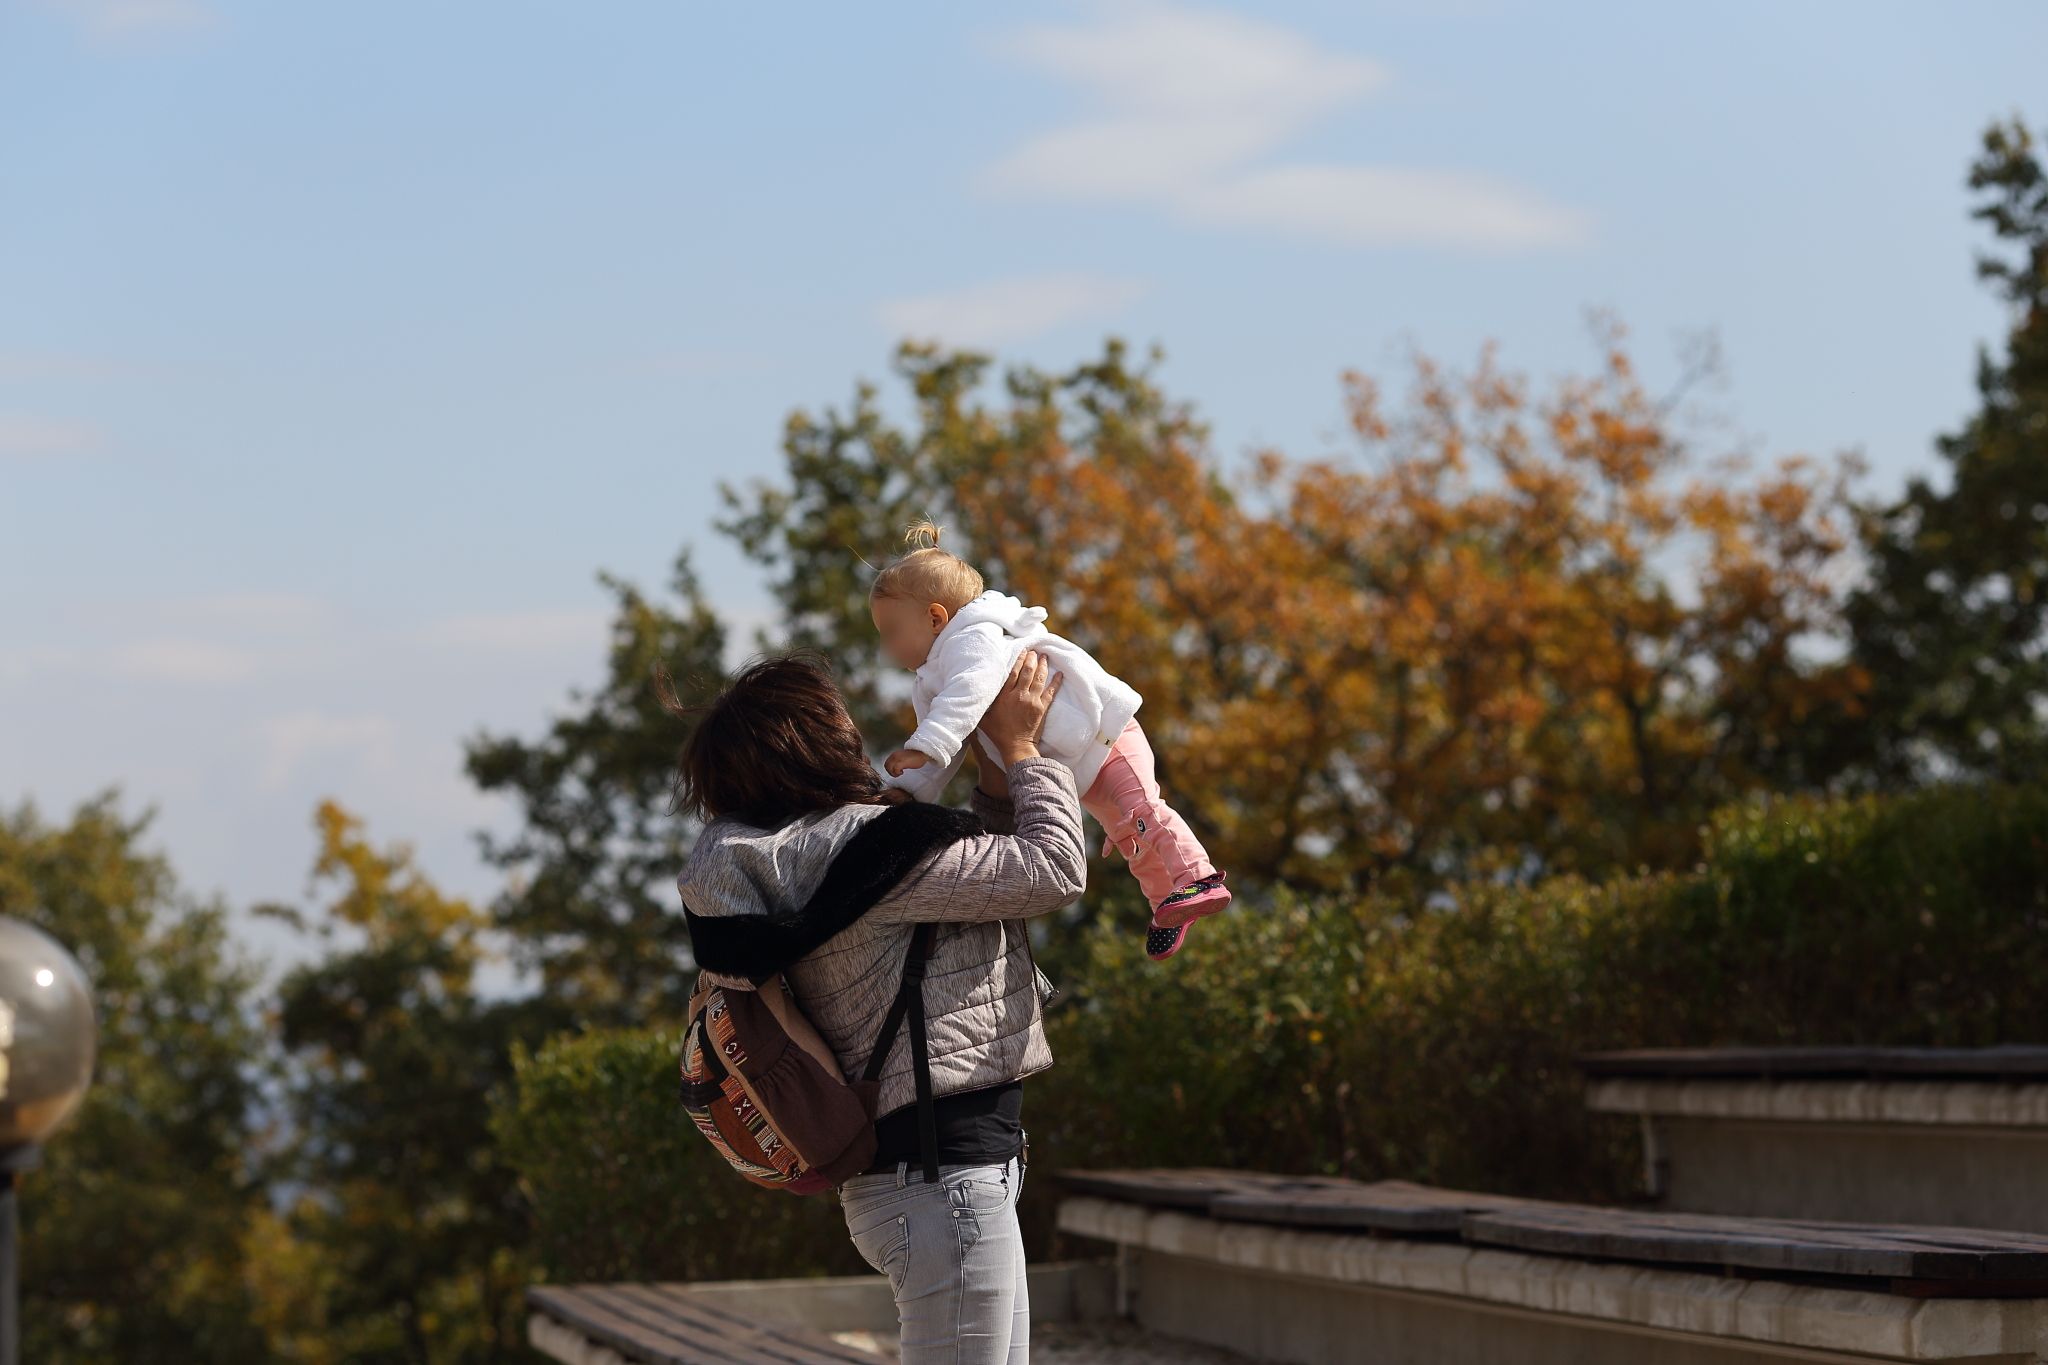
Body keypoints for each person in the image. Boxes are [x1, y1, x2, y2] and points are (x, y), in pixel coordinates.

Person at [671, 648, 1083, 1363]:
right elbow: (1051, 868)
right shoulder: (876, 850)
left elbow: (969, 890)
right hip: (943, 1182)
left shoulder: (809, 859)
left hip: (924, 1181)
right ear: (817, 741)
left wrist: (993, 780)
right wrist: (1021, 749)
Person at [870, 520, 1230, 961]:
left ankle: (1199, 877)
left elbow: (969, 694)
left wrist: (925, 742)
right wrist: (910, 790)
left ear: (935, 617)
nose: (887, 648)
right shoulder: (933, 679)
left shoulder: (974, 638)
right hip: (1078, 765)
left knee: (1144, 811)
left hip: (1106, 734)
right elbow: (948, 744)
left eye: (891, 631)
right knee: (1128, 835)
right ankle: (1166, 906)